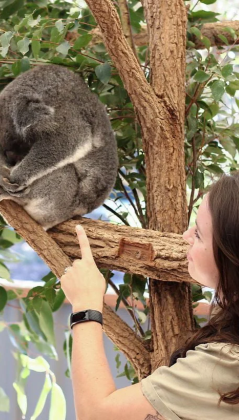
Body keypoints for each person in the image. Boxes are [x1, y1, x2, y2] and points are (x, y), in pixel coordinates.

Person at [60, 174, 239, 420]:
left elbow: (96, 414)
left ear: (231, 260)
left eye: (198, 234)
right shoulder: (230, 309)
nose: (185, 236)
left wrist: (85, 306)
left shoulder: (223, 366)